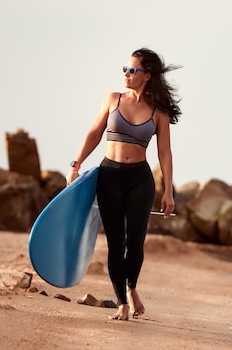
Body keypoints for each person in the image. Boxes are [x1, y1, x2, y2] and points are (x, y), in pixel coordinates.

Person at [66, 47, 181, 321]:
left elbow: (164, 153)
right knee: (116, 243)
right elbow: (94, 133)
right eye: (125, 69)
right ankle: (122, 303)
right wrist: (76, 164)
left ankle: (132, 287)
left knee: (136, 243)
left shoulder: (158, 113)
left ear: (147, 76)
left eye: (133, 70)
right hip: (110, 176)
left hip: (140, 180)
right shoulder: (113, 99)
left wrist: (168, 191)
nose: (127, 74)